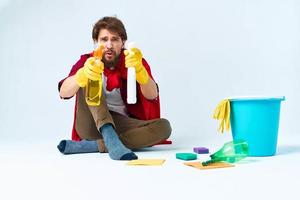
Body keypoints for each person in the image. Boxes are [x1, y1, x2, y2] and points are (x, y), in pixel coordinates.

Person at [57, 16, 172, 160]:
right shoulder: (88, 61)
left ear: (123, 42)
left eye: (115, 39)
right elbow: (64, 92)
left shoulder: (134, 60)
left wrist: (140, 72)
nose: (109, 45)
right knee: (89, 76)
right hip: (91, 124)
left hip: (120, 123)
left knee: (164, 127)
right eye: (104, 39)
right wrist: (82, 75)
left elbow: (152, 95)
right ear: (96, 42)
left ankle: (96, 145)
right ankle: (109, 135)